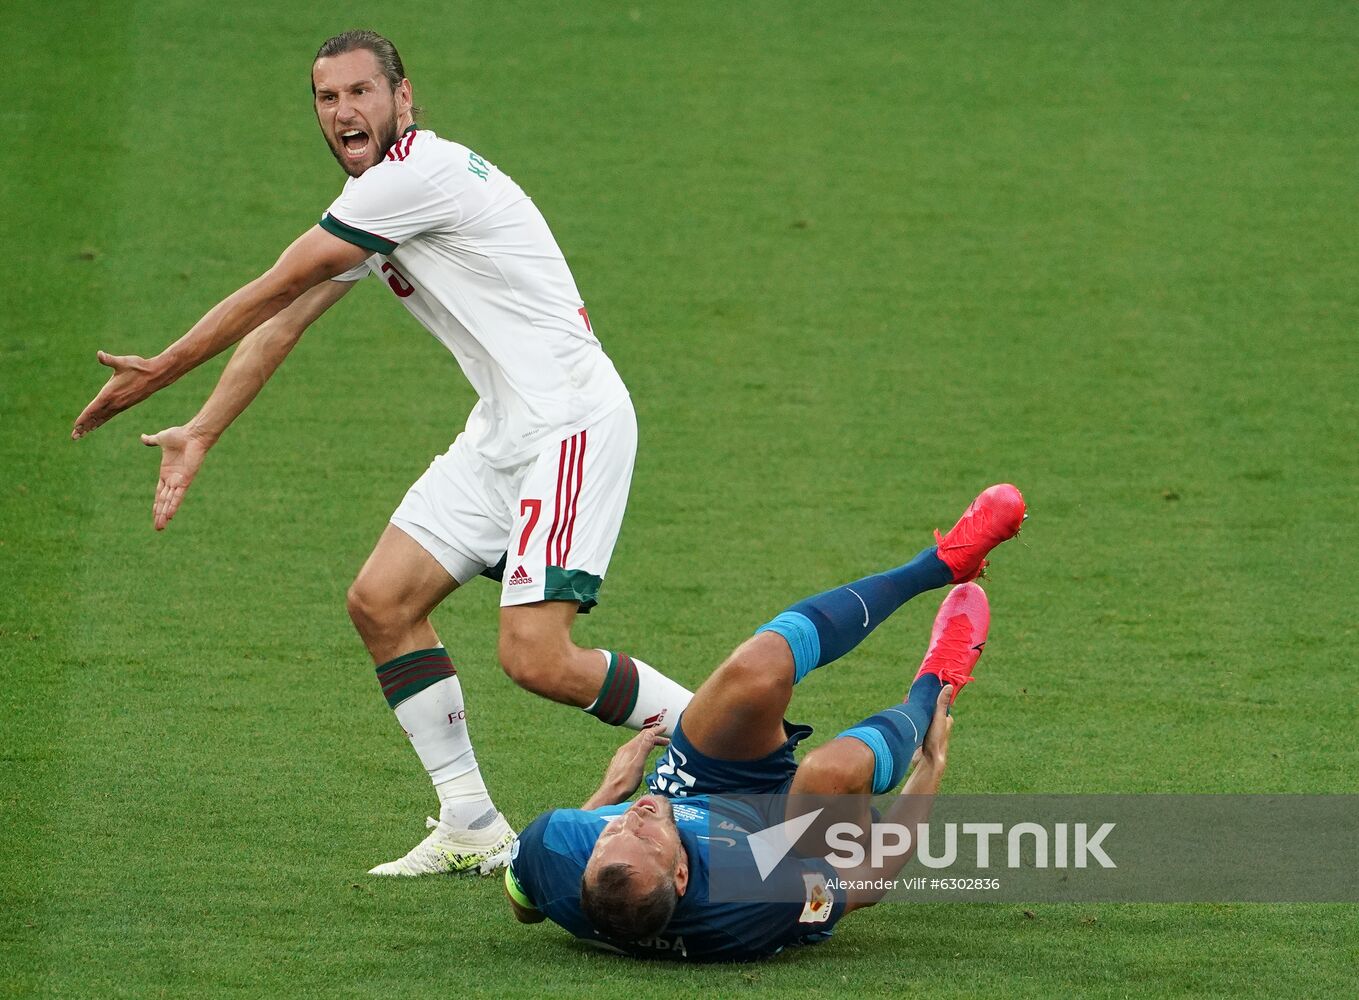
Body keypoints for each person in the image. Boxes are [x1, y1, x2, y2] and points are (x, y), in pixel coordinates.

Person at [70, 29, 693, 876]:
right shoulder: (376, 197)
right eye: (327, 98)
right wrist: (203, 427)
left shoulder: (414, 177)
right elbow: (287, 320)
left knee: (537, 658)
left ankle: (727, 740)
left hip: (569, 424)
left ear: (404, 98)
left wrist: (162, 369)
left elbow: (274, 286)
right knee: (382, 601)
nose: (343, 111)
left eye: (361, 92)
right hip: (506, 428)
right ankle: (471, 823)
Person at [505, 484, 1026, 961]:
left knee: (756, 669)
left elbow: (525, 904)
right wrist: (931, 768)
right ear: (682, 876)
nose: (630, 817)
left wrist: (607, 794)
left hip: (695, 791)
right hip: (778, 846)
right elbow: (867, 883)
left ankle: (940, 563)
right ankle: (937, 682)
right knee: (832, 770)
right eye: (642, 836)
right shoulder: (753, 903)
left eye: (611, 831)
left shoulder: (557, 851)